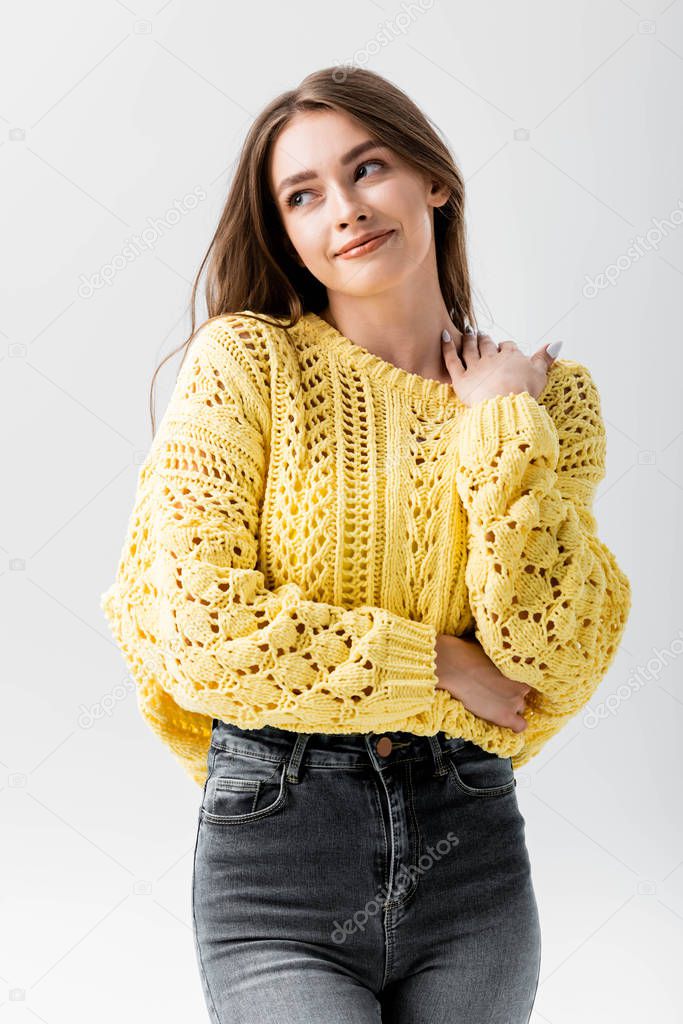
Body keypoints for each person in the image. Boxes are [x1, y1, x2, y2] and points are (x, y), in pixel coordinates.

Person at [100, 65, 631, 1024]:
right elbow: (201, 629)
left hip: (470, 856)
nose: (342, 209)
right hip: (277, 858)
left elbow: (555, 657)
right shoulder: (245, 363)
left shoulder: (548, 402)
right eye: (302, 195)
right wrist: (436, 662)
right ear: (288, 233)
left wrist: (503, 428)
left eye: (368, 168)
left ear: (433, 178)